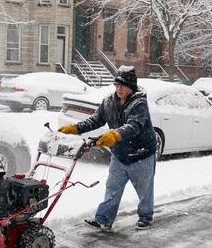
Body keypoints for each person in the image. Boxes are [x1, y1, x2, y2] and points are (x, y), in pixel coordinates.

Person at [58, 66, 157, 231]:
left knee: (144, 189)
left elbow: (134, 126)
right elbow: (96, 120)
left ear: (131, 86)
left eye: (123, 86)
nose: (119, 89)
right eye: (117, 85)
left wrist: (115, 135)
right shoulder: (109, 101)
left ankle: (145, 218)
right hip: (119, 154)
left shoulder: (139, 103)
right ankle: (103, 219)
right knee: (112, 187)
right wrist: (75, 128)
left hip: (142, 153)